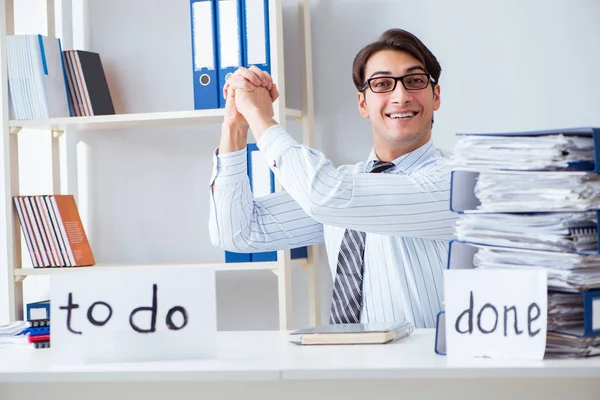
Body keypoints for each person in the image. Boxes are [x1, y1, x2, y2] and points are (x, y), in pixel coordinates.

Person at [208, 28, 457, 329]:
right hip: (347, 368)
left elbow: (324, 195)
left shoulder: (456, 182)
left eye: (415, 81)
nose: (401, 96)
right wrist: (235, 125)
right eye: (382, 84)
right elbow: (237, 232)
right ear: (363, 104)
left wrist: (261, 117)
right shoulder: (344, 191)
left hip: (430, 373)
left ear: (436, 96)